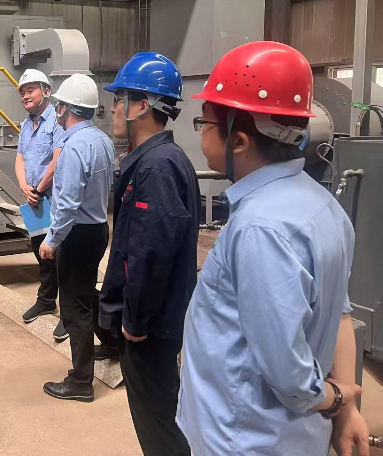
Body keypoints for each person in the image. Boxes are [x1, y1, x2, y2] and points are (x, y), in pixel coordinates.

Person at [177, 41, 370, 456]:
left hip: (243, 438)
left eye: (204, 122)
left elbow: (288, 373)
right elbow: (338, 313)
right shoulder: (324, 207)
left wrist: (335, 399)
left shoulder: (260, 228)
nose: (201, 131)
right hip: (286, 438)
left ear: (239, 141)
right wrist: (347, 407)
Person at [96, 52, 199, 456]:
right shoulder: (160, 160)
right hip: (157, 321)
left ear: (142, 105)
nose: (112, 108)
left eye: (119, 98)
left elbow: (149, 253)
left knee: (159, 425)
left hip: (149, 328)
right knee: (162, 415)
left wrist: (135, 320)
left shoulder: (156, 167)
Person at [39, 73, 114, 402]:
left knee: (73, 308)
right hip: (98, 229)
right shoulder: (102, 141)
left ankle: (81, 382)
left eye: (59, 105)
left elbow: (68, 204)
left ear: (65, 109)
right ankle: (112, 344)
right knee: (87, 294)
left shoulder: (72, 148)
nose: (56, 110)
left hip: (76, 234)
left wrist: (52, 240)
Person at [15, 69, 68, 342]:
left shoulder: (57, 122)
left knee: (61, 255)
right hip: (34, 200)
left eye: (31, 90)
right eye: (22, 92)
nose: (25, 95)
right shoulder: (26, 125)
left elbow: (58, 160)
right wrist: (24, 187)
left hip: (53, 199)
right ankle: (47, 300)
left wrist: (38, 188)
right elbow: (20, 158)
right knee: (41, 252)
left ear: (46, 91)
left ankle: (69, 314)